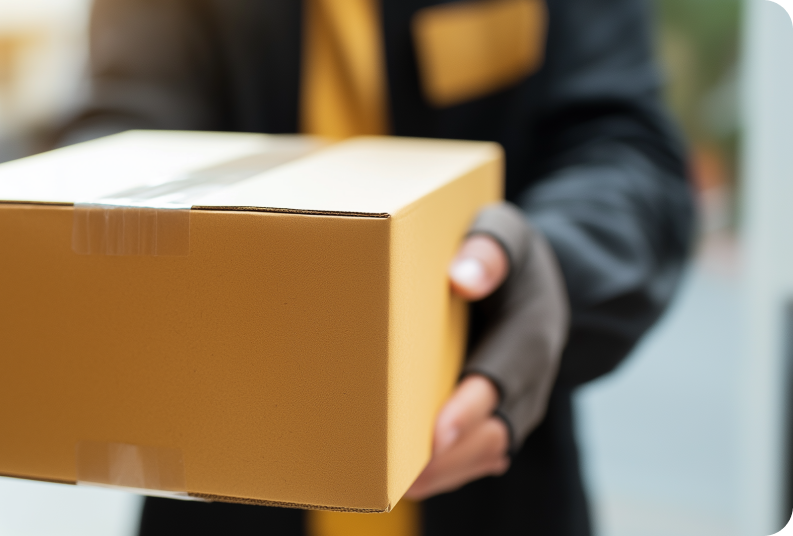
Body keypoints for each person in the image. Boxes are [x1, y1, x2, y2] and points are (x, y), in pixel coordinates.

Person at [57, 0, 694, 535]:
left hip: (494, 491)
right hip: (221, 481)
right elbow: (126, 121)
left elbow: (625, 150)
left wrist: (552, 257)